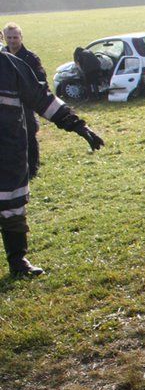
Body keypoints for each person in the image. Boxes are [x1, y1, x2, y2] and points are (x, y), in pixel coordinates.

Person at [1, 51, 104, 277]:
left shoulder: (10, 66)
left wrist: (77, 125)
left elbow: (42, 98)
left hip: (8, 155)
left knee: (13, 208)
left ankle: (18, 262)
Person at [2, 23, 46, 179]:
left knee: (29, 135)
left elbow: (41, 80)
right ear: (4, 38)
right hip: (6, 106)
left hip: (26, 104)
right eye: (9, 37)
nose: (12, 41)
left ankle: (32, 169)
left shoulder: (30, 58)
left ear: (21, 37)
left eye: (15, 37)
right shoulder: (2, 56)